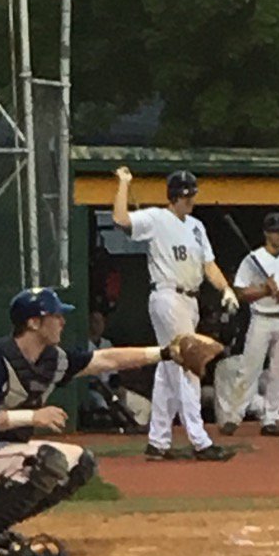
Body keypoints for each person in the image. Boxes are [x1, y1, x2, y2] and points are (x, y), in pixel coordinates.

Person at [0, 287, 202, 556]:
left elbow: (106, 359)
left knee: (80, 463)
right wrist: (31, 417)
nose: (62, 321)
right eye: (55, 315)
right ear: (33, 322)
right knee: (46, 460)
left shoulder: (52, 360)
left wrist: (165, 353)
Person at [113, 166, 238, 461]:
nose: (191, 199)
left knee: (168, 368)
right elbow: (120, 219)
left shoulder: (196, 226)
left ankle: (158, 441)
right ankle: (200, 441)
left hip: (190, 299)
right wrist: (123, 183)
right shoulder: (157, 218)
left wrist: (226, 289)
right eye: (186, 195)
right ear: (175, 196)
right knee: (189, 363)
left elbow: (209, 264)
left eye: (192, 194)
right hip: (168, 295)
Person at [219, 212, 279, 436]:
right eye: (275, 231)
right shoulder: (253, 258)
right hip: (261, 318)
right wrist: (264, 290)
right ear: (266, 233)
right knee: (249, 369)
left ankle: (270, 417)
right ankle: (234, 416)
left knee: (278, 371)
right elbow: (241, 291)